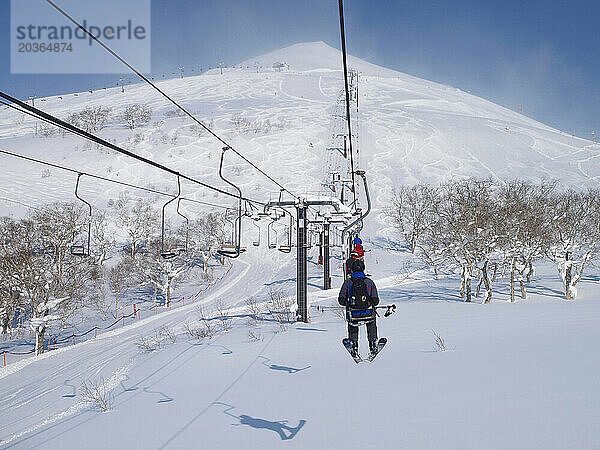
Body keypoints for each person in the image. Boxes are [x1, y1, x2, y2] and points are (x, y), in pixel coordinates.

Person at [338, 259, 380, 356]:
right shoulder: (369, 282)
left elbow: (341, 301)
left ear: (351, 270)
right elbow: (376, 301)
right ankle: (373, 343)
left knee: (353, 325)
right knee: (371, 323)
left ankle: (354, 345)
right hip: (368, 313)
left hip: (354, 314)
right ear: (363, 270)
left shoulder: (348, 282)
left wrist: (350, 302)